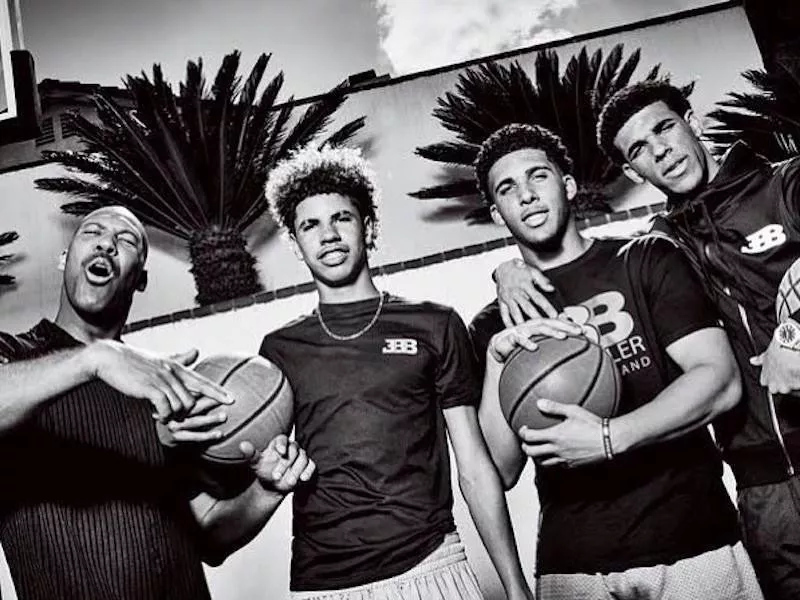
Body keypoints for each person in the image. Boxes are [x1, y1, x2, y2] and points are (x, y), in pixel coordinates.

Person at [493, 81, 800, 600]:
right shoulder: (661, 246)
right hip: (763, 485)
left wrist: (793, 330)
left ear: (692, 123)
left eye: (664, 128)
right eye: (639, 149)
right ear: (634, 172)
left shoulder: (783, 184)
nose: (660, 150)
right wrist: (505, 271)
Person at [230, 145, 533, 600]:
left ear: (368, 227)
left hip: (430, 564)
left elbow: (473, 465)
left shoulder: (434, 324)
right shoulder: (279, 350)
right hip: (323, 582)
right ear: (295, 243)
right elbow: (263, 468)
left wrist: (514, 586)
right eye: (310, 225)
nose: (328, 235)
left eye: (342, 219)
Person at [0, 206, 311, 600]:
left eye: (125, 240)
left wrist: (264, 491)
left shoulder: (157, 389)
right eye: (92, 232)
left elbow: (207, 535)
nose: (106, 244)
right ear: (65, 259)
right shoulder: (14, 355)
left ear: (140, 279)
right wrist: (94, 359)